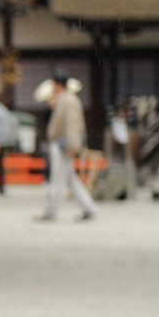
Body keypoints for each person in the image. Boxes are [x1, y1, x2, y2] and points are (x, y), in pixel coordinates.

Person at [37, 76, 97, 222]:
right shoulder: (62, 100)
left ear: (58, 85)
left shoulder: (69, 101)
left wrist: (73, 145)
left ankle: (51, 210)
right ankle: (88, 207)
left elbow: (73, 124)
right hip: (62, 143)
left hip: (64, 144)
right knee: (70, 179)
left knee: (57, 178)